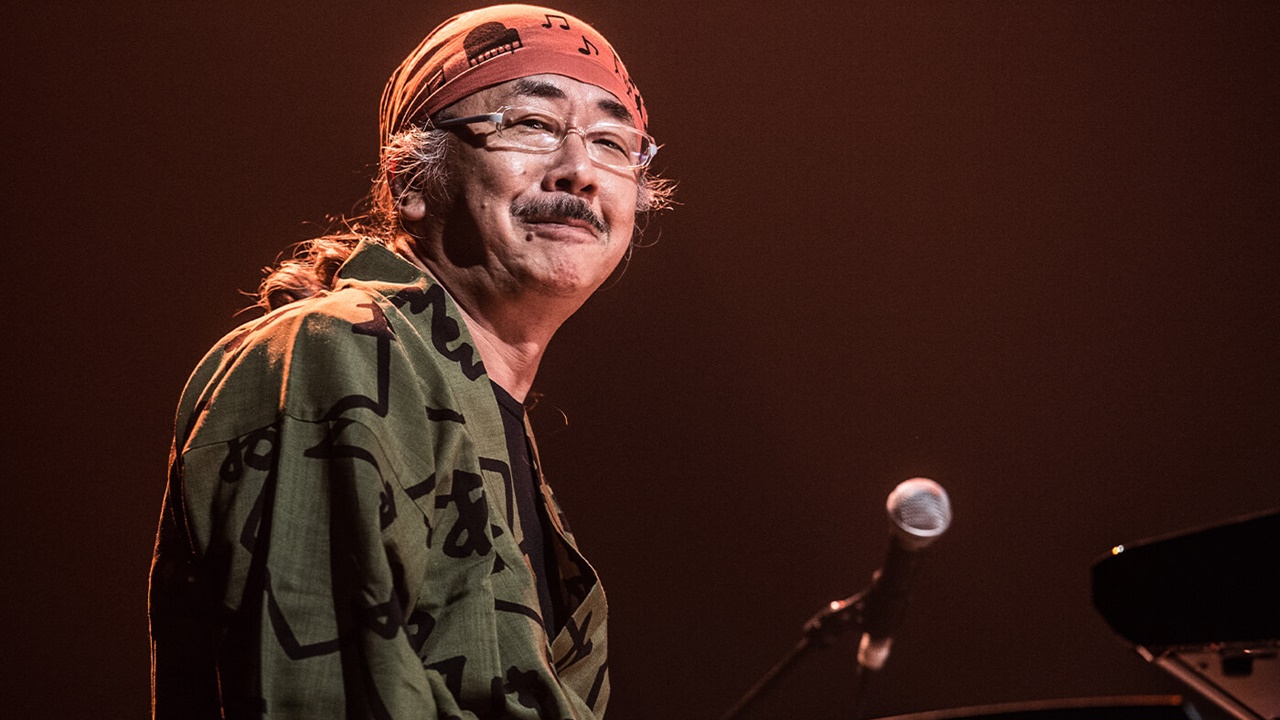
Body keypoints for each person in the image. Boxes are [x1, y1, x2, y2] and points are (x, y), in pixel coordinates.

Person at [148, 5, 673, 718]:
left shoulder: (479, 413)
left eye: (612, 142)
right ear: (410, 182)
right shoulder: (336, 350)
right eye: (531, 124)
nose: (579, 171)